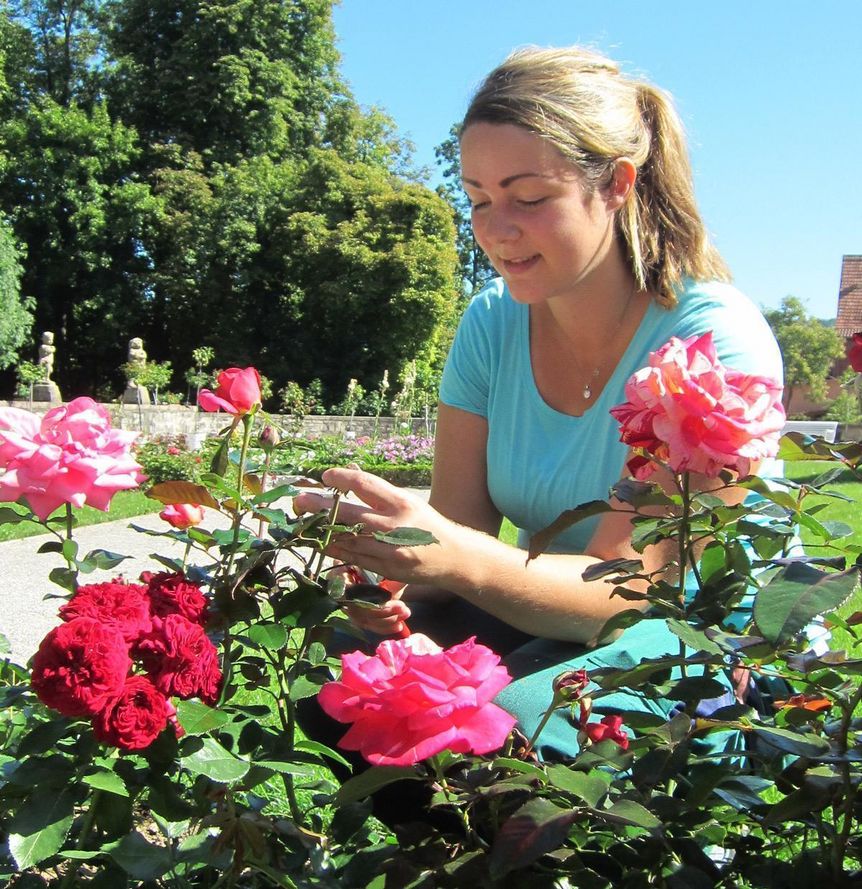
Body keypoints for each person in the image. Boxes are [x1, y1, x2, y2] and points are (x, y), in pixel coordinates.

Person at [294, 45, 783, 761]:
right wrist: (388, 572)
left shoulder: (711, 344)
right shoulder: (491, 324)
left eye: (528, 198)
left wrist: (458, 560)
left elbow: (638, 588)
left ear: (616, 184)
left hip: (696, 638)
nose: (495, 229)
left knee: (512, 719)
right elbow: (457, 530)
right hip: (549, 611)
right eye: (479, 199)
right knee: (337, 673)